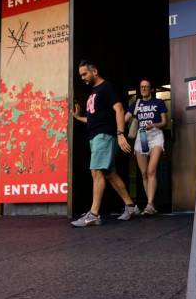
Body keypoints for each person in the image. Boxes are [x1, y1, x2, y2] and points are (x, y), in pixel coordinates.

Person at [71, 60, 140, 227]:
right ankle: (131, 206)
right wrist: (78, 117)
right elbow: (95, 117)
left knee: (96, 171)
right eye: (80, 75)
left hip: (105, 136)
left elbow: (119, 109)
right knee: (108, 173)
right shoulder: (94, 92)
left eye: (85, 74)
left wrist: (120, 133)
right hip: (95, 136)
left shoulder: (106, 87)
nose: (82, 78)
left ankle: (94, 214)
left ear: (94, 71)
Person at [125, 79, 168, 215]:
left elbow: (164, 122)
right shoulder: (135, 104)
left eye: (146, 87)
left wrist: (153, 125)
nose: (143, 89)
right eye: (141, 87)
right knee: (144, 173)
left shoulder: (158, 103)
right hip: (141, 136)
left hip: (155, 135)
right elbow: (124, 118)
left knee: (151, 171)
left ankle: (149, 204)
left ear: (151, 89)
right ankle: (152, 204)